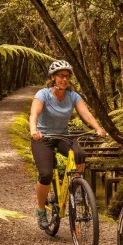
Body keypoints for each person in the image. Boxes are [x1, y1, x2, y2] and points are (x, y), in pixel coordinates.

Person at [29, 60, 106, 229]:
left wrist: (97, 128)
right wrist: (34, 130)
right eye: (61, 76)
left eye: (67, 76)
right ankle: (41, 210)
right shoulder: (43, 94)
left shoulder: (73, 96)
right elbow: (34, 113)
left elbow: (85, 113)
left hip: (63, 136)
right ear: (53, 78)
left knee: (80, 154)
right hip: (43, 137)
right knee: (46, 174)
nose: (64, 79)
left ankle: (76, 186)